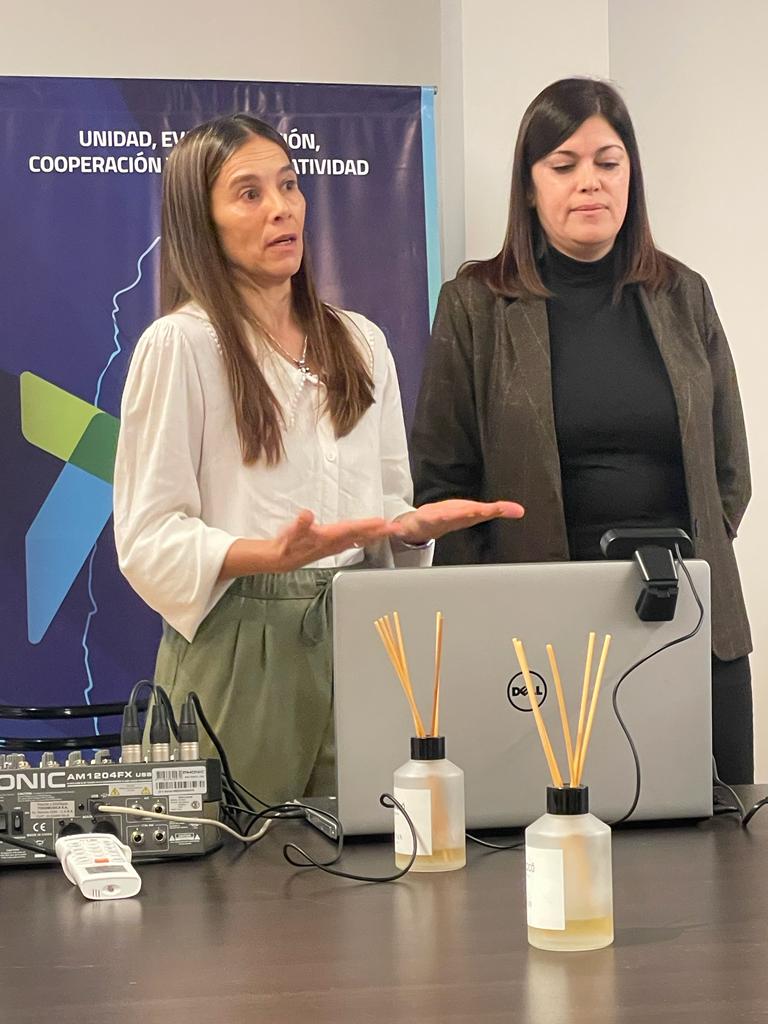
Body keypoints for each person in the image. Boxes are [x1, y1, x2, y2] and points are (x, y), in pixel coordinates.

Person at [113, 113, 523, 804]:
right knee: (233, 858)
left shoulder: (361, 342)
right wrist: (268, 555)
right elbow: (147, 537)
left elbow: (385, 502)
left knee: (371, 843)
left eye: (289, 185)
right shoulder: (181, 345)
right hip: (238, 637)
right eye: (249, 193)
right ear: (200, 220)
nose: (282, 208)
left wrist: (409, 530)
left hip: (362, 628)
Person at [411, 78, 752, 784]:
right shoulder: (475, 305)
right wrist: (495, 610)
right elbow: (443, 482)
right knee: (549, 831)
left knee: (716, 834)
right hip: (536, 632)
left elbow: (729, 471)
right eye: (563, 165)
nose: (589, 182)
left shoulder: (684, 295)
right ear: (529, 187)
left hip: (686, 615)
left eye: (608, 162)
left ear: (632, 176)